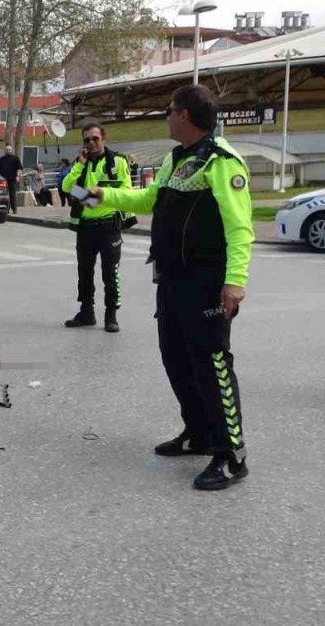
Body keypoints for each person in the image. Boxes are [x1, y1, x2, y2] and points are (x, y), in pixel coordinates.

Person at [89, 84, 255, 491]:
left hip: (206, 282)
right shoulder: (177, 159)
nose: (166, 116)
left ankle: (231, 454)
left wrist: (235, 282)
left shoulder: (222, 162)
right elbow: (151, 200)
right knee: (177, 359)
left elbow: (239, 228)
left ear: (184, 115)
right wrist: (105, 195)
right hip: (172, 278)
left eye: (169, 110)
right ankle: (197, 433)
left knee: (213, 365)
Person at [60, 123, 132, 333]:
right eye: (87, 140)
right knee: (84, 272)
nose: (91, 143)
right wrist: (80, 166)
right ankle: (86, 312)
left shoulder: (117, 161)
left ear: (104, 139)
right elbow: (66, 187)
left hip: (109, 225)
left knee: (110, 273)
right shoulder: (82, 163)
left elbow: (126, 192)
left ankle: (111, 315)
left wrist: (90, 199)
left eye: (95, 139)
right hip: (85, 227)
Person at [0, 145, 24, 215]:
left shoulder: (15, 158)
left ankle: (14, 209)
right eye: (6, 150)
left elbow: (19, 168)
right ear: (4, 151)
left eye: (9, 150)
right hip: (3, 180)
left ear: (12, 150)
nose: (8, 151)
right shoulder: (1, 159)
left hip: (12, 179)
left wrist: (18, 176)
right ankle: (6, 209)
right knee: (5, 196)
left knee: (12, 195)